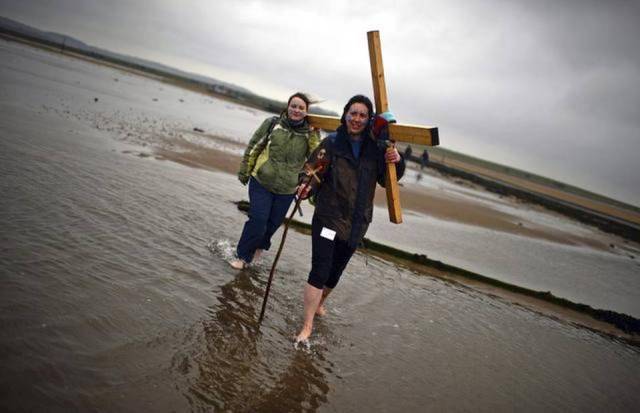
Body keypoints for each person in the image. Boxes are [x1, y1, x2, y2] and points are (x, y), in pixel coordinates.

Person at [295, 94, 405, 343]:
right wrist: (305, 188)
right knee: (320, 269)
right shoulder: (332, 143)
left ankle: (320, 303)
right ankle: (307, 325)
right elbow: (311, 171)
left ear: (369, 120)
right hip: (328, 219)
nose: (356, 119)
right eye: (352, 113)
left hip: (357, 224)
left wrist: (397, 162)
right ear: (345, 115)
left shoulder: (376, 149)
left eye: (362, 115)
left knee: (335, 272)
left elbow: (388, 180)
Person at [231, 93, 320, 269]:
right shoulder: (273, 124)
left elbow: (315, 158)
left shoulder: (308, 134)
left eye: (301, 108)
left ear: (306, 112)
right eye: (293, 106)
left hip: (287, 189)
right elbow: (255, 145)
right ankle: (242, 257)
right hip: (261, 181)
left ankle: (258, 248)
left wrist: (314, 134)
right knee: (258, 219)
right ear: (287, 107)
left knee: (272, 225)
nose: (296, 110)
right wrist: (245, 170)